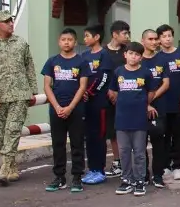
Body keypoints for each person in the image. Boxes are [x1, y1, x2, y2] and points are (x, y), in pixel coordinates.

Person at [0, 10, 38, 186]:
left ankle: (4, 167)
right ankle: (12, 167)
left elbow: (29, 66)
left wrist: (32, 90)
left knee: (12, 130)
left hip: (20, 94)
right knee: (3, 133)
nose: (11, 24)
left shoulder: (20, 43)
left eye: (11, 21)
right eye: (7, 22)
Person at [41, 28, 91, 193]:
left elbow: (83, 86)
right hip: (56, 109)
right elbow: (47, 86)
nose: (67, 42)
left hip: (76, 110)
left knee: (77, 143)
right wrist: (57, 107)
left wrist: (70, 107)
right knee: (58, 144)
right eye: (64, 40)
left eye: (70, 40)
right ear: (59, 42)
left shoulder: (81, 62)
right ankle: (59, 177)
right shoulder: (52, 62)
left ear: (75, 42)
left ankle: (77, 177)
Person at [109, 42, 157, 197]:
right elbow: (112, 91)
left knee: (139, 152)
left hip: (139, 119)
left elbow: (151, 91)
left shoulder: (145, 73)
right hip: (122, 119)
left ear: (141, 57)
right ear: (125, 54)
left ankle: (140, 181)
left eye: (137, 54)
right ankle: (126, 180)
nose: (133, 57)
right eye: (131, 53)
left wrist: (145, 104)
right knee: (123, 151)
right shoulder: (118, 72)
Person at [155, 24, 180, 182]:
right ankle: (165, 165)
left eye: (169, 36)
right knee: (163, 134)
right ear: (159, 39)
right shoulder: (157, 57)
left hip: (178, 101)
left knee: (177, 134)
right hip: (162, 103)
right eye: (164, 36)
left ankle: (177, 166)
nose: (167, 39)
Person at [81, 25, 114, 185]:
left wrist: (90, 92)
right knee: (89, 136)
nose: (85, 39)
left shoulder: (104, 55)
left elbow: (104, 77)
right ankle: (91, 169)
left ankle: (100, 170)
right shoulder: (84, 55)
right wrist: (82, 92)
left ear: (97, 37)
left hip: (99, 102)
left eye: (87, 36)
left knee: (99, 136)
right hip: (85, 103)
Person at [139, 29, 171, 190]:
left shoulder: (162, 59)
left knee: (159, 142)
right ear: (143, 41)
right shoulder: (138, 60)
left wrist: (151, 99)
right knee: (140, 143)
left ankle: (158, 175)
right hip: (139, 108)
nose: (153, 42)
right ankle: (143, 175)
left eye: (155, 39)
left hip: (159, 108)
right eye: (150, 39)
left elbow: (166, 83)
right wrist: (145, 103)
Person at [103, 20, 131, 178]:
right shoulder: (103, 52)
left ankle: (131, 164)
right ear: (114, 34)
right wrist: (110, 92)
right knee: (113, 131)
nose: (127, 36)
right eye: (124, 33)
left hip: (127, 97)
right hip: (108, 97)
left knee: (130, 131)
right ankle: (117, 162)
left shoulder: (128, 51)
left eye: (128, 33)